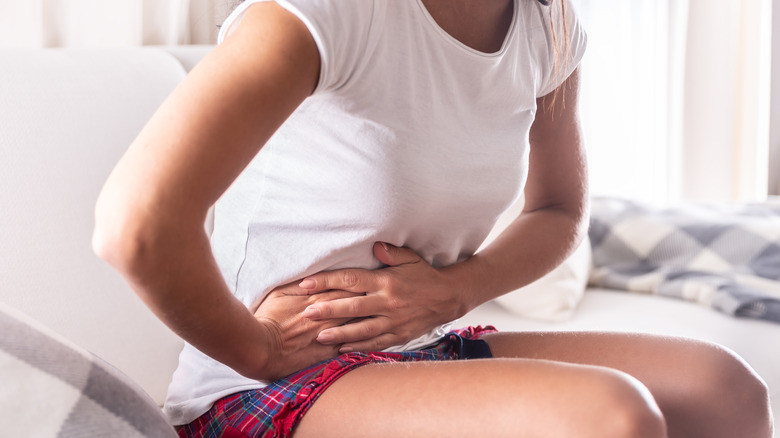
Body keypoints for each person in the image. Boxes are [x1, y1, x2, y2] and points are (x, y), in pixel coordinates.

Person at [92, 0, 774, 437]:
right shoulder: (320, 15)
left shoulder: (549, 27)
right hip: (264, 392)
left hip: (414, 353)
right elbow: (137, 226)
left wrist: (457, 288)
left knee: (725, 388)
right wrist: (256, 348)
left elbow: (558, 208)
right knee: (610, 419)